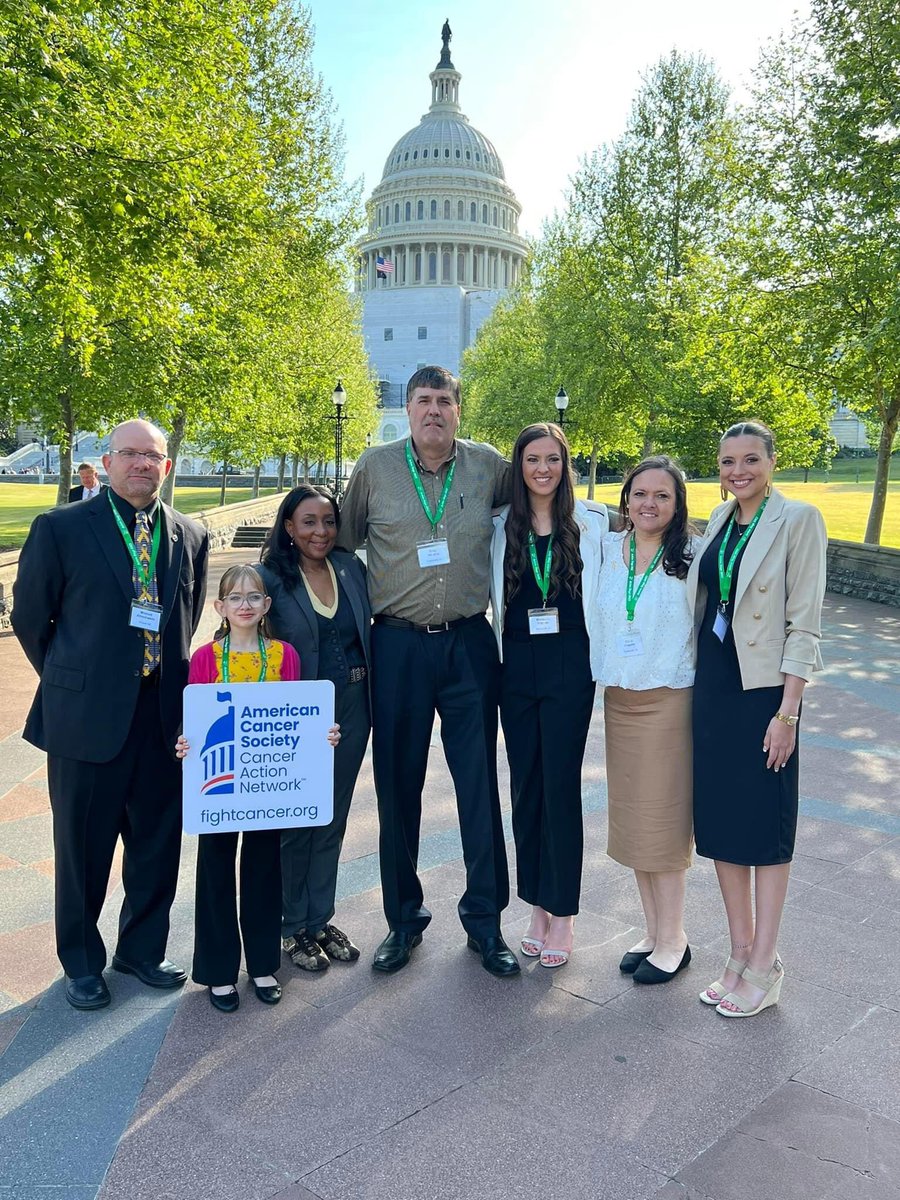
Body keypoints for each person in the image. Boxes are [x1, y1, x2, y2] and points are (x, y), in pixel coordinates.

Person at [12, 419, 209, 1010]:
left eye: (154, 456)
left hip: (163, 718)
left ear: (166, 466)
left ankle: (141, 950)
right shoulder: (62, 528)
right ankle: (81, 961)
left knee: (156, 842)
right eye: (131, 454)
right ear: (108, 460)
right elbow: (30, 617)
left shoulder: (189, 533)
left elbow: (188, 613)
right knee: (83, 847)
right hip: (86, 718)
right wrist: (73, 677)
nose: (143, 464)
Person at [337, 365, 519, 978]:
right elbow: (342, 541)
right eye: (423, 401)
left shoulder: (489, 466)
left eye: (444, 400)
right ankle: (403, 920)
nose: (434, 410)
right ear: (409, 409)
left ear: (458, 410)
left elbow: (538, 511)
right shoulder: (375, 467)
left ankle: (486, 923)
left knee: (477, 785)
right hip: (397, 647)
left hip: (469, 644)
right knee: (398, 789)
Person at [688, 421, 826, 1017]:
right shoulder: (720, 521)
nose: (737, 471)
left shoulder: (798, 521)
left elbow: (805, 624)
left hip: (765, 694)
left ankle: (766, 965)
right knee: (721, 826)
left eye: (749, 459)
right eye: (727, 461)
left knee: (765, 831)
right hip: (715, 689)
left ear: (772, 461)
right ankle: (739, 952)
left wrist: (787, 713)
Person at [176, 563, 340, 1012]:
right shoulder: (205, 659)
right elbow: (196, 717)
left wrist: (321, 736)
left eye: (253, 597)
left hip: (271, 789)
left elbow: (297, 717)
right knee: (214, 872)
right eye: (235, 597)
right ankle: (218, 970)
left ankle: (264, 963)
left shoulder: (285, 656)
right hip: (220, 786)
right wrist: (185, 741)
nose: (244, 605)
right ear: (220, 606)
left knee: (265, 871)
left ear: (266, 605)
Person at [489, 423, 606, 969]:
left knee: (560, 788)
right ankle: (535, 904)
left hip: (568, 671)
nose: (542, 469)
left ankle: (564, 913)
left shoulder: (594, 525)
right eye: (532, 459)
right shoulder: (498, 528)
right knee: (527, 788)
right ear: (519, 467)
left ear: (565, 465)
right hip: (515, 670)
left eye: (552, 459)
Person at [591, 456, 696, 984]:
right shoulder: (609, 549)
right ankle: (654, 930)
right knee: (634, 820)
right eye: (639, 493)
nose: (648, 503)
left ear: (677, 505)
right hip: (621, 702)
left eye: (662, 495)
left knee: (664, 822)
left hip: (668, 700)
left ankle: (675, 938)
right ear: (625, 499)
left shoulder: (692, 556)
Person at [259, 486, 372, 974]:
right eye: (308, 522)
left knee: (332, 815)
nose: (320, 532)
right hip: (297, 712)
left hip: (352, 708)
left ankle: (319, 918)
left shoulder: (351, 568)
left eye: (328, 521)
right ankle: (290, 926)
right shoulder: (269, 579)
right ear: (289, 526)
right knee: (295, 822)